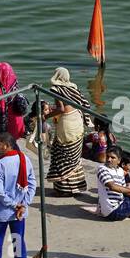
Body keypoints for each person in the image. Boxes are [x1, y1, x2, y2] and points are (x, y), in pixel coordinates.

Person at [44, 67, 90, 196]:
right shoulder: (72, 88)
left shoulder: (56, 89)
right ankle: (76, 187)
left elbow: (61, 109)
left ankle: (63, 189)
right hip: (77, 120)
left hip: (67, 123)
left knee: (62, 152)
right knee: (74, 155)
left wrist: (45, 116)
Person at [0, 62, 28, 140]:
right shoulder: (14, 83)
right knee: (13, 142)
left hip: (6, 122)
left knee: (3, 144)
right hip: (17, 120)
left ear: (3, 73)